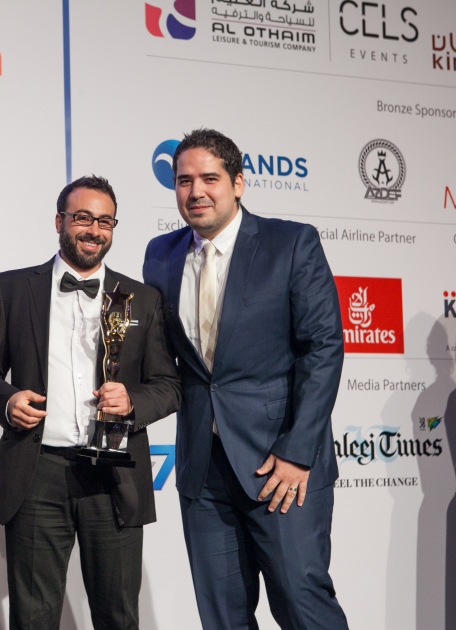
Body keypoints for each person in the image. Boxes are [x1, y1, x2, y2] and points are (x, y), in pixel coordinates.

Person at [143, 128, 349, 630]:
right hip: (203, 470)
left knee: (302, 606)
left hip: (280, 464)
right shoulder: (160, 254)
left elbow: (323, 348)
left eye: (209, 179)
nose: (196, 192)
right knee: (222, 618)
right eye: (184, 181)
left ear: (238, 183)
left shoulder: (290, 243)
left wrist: (298, 451)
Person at [0, 175, 181, 630]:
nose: (94, 230)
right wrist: (6, 400)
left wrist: (132, 400)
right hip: (37, 472)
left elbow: (168, 385)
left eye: (105, 221)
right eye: (83, 218)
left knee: (118, 617)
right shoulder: (11, 289)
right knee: (33, 618)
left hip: (114, 474)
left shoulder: (141, 298)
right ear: (59, 221)